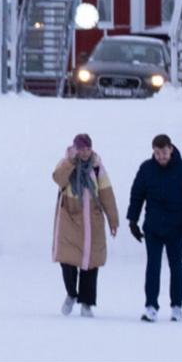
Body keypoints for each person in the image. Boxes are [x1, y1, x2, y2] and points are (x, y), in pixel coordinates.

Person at [127, 133, 182, 323]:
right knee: (152, 266)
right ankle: (151, 307)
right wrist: (133, 221)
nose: (160, 156)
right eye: (157, 153)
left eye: (163, 152)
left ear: (171, 149)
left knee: (176, 266)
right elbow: (137, 194)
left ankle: (177, 307)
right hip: (153, 227)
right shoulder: (146, 169)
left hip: (176, 227)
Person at [51, 133, 120, 317]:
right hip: (70, 218)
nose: (85, 152)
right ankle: (71, 294)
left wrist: (113, 220)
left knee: (91, 263)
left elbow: (106, 194)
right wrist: (71, 162)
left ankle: (87, 303)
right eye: (81, 148)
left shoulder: (97, 168)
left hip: (92, 220)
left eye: (88, 148)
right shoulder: (66, 163)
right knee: (67, 260)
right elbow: (58, 178)